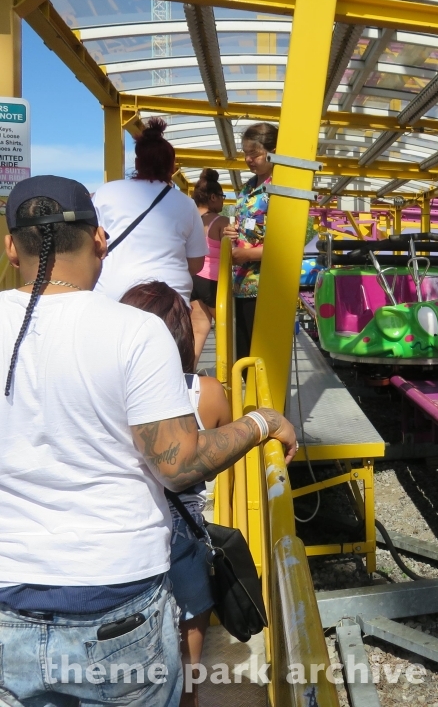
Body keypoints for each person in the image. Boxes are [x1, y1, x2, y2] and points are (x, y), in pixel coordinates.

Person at [0, 176, 296, 707]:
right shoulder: (134, 332)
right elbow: (180, 465)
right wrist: (260, 423)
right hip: (115, 596)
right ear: (99, 242)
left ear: (9, 245)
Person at [120, 281, 231, 707]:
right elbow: (219, 453)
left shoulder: (112, 390)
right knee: (187, 678)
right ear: (183, 336)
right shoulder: (209, 393)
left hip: (130, 539)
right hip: (184, 540)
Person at [92, 118, 208, 303]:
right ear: (172, 167)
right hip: (170, 298)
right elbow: (196, 264)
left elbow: (91, 245)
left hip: (112, 294)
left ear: (137, 163)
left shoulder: (106, 192)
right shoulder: (186, 204)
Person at [224, 122, 276, 359]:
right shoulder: (247, 189)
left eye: (254, 154)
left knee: (263, 360)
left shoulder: (279, 188)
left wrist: (248, 255)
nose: (248, 159)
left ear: (272, 151)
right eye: (245, 153)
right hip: (242, 285)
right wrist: (231, 233)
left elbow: (285, 241)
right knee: (244, 357)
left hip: (267, 287)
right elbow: (245, 225)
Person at [188, 168, 229, 364]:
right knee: (225, 329)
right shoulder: (221, 221)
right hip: (213, 282)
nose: (223, 201)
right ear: (213, 197)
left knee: (198, 329)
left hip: (192, 279)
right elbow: (233, 251)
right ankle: (227, 378)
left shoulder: (189, 218)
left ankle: (188, 372)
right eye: (222, 196)